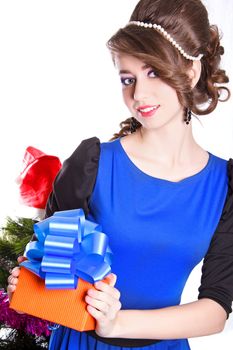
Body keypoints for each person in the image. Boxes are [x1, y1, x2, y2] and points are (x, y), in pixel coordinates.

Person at [7, 0, 233, 349]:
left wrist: (117, 323)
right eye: (128, 79)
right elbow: (50, 270)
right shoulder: (91, 163)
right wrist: (29, 281)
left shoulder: (225, 185)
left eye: (153, 72)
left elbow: (216, 308)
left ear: (190, 72)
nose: (138, 94)